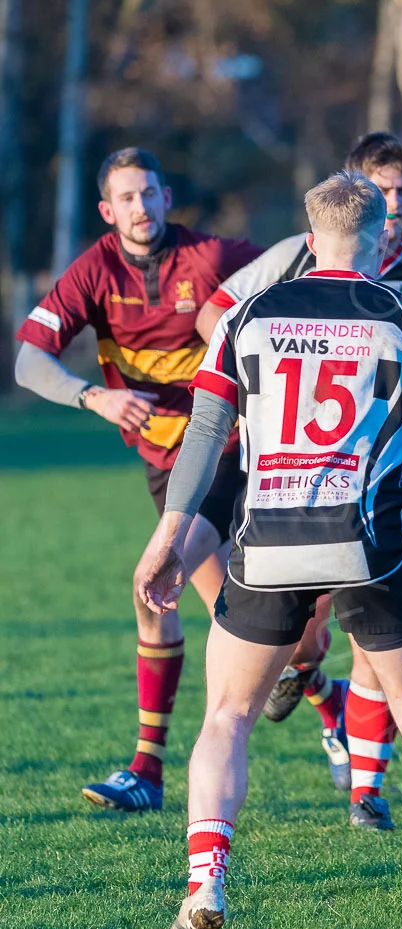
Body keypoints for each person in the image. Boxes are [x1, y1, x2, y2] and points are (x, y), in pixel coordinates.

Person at [140, 171, 402, 929]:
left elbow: (205, 436)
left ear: (309, 243)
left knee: (227, 716)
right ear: (379, 241)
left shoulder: (245, 316)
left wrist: (168, 536)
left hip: (266, 545)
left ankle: (204, 884)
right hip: (368, 547)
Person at [13, 147, 262, 812]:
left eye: (149, 193)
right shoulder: (93, 270)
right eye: (126, 197)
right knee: (236, 613)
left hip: (229, 451)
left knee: (149, 585)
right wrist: (94, 398)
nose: (141, 207)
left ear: (165, 196)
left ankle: (146, 770)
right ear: (107, 210)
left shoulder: (209, 254)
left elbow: (295, 265)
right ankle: (327, 707)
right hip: (164, 466)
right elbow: (28, 362)